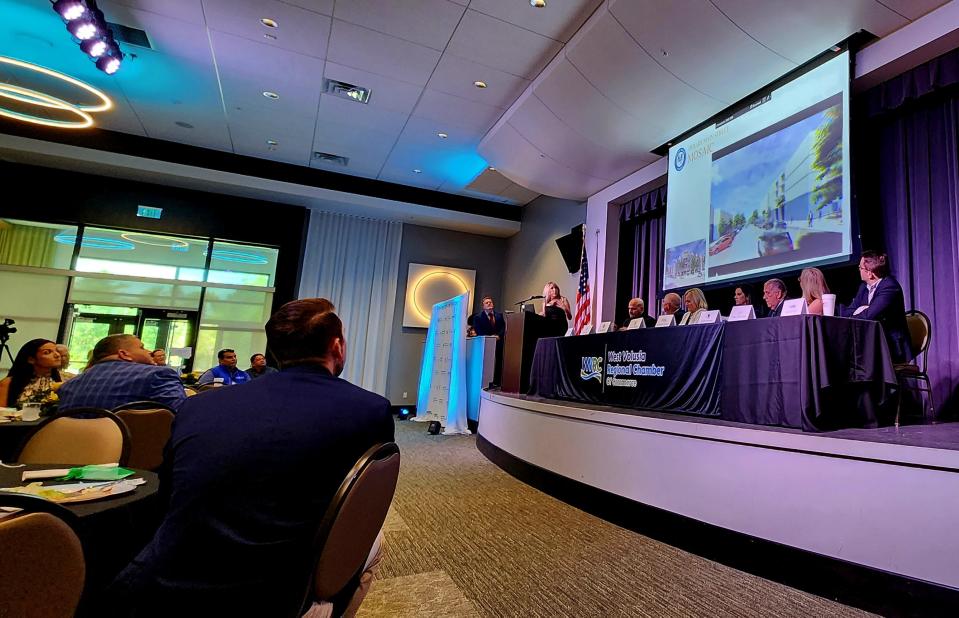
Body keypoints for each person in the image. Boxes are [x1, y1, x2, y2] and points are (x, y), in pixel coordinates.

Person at [109, 298, 394, 616]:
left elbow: (167, 498)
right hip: (274, 595)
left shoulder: (198, 406)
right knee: (375, 541)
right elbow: (361, 511)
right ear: (338, 346)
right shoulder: (370, 409)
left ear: (273, 352)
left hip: (154, 587)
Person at [57, 334, 187, 412]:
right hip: (137, 453)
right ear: (124, 354)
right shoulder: (158, 375)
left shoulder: (69, 385)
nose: (149, 351)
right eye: (142, 347)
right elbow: (184, 416)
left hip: (71, 452)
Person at [841, 250, 910, 362]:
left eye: (860, 268)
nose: (859, 270)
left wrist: (857, 314)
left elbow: (869, 316)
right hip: (871, 341)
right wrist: (852, 315)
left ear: (869, 273)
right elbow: (849, 311)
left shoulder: (889, 287)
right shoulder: (863, 287)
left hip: (891, 346)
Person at [0, 339, 61, 408]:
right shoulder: (9, 383)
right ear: (31, 359)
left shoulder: (62, 381)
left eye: (57, 351)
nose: (57, 355)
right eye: (47, 352)